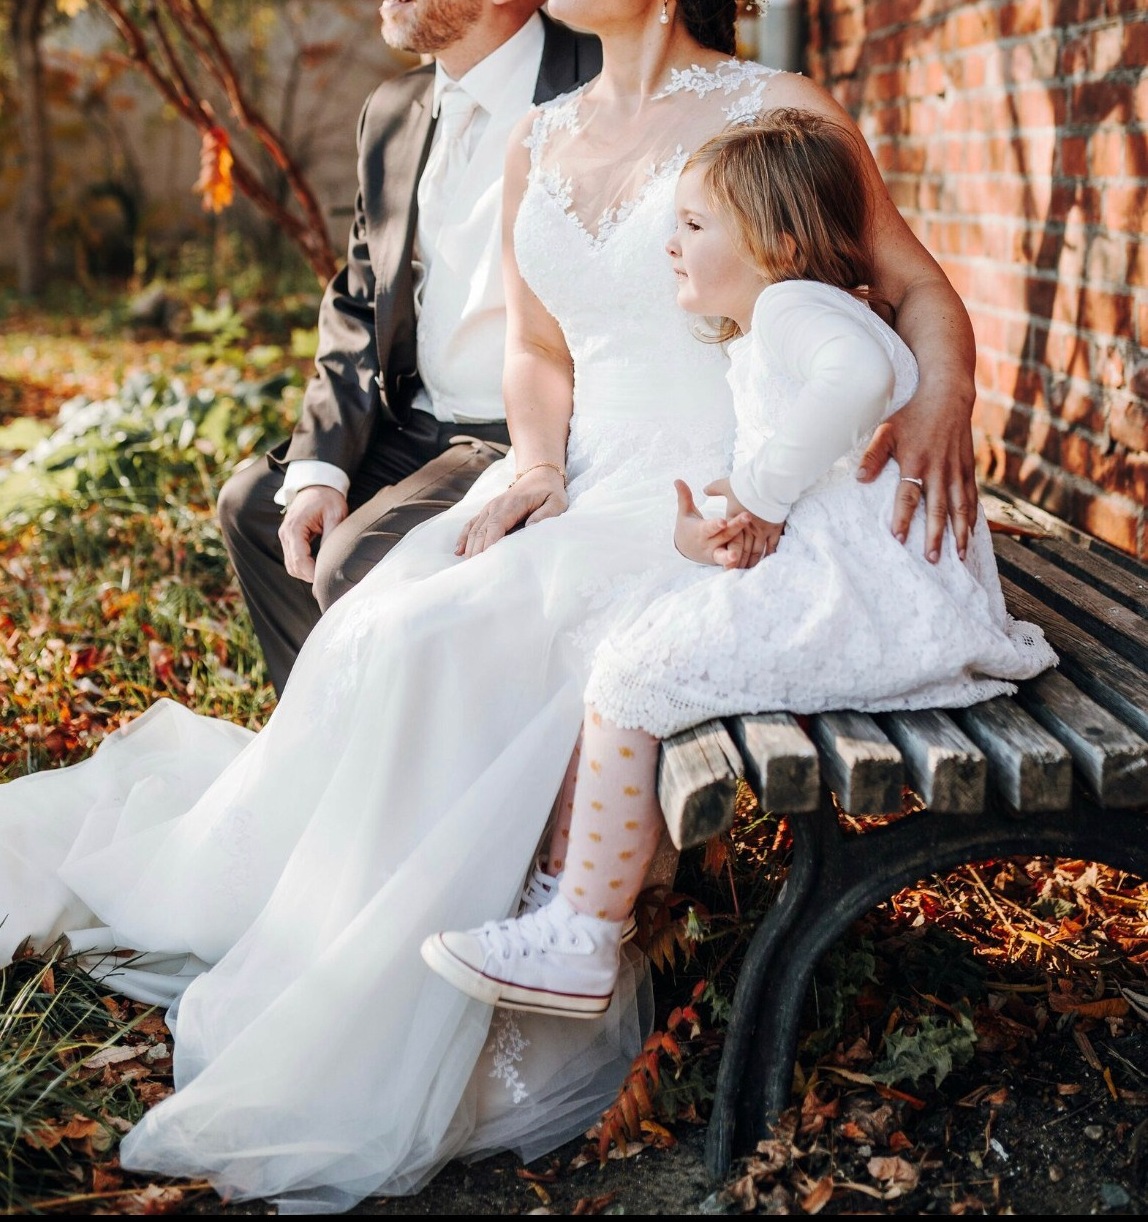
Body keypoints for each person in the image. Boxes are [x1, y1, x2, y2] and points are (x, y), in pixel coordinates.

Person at [0, 0, 988, 1209]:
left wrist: (946, 402)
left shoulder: (768, 110)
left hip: (725, 490)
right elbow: (540, 352)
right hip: (592, 472)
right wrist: (526, 459)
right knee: (383, 622)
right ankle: (357, 931)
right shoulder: (541, 136)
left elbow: (915, 288)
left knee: (436, 637)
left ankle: (536, 956)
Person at [422, 113, 1055, 1019]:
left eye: (693, 224)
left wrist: (756, 492)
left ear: (781, 240)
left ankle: (580, 933)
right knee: (641, 635)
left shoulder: (799, 308)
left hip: (880, 596)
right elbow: (813, 466)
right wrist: (722, 521)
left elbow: (855, 387)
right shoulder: (789, 315)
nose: (670, 243)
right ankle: (580, 912)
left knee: (632, 671)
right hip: (880, 581)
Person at [218, 0, 601, 691]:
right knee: (258, 502)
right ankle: (321, 748)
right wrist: (321, 467)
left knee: (353, 561)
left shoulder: (603, 92)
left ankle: (404, 774)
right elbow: (358, 301)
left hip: (529, 433)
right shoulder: (391, 113)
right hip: (413, 421)